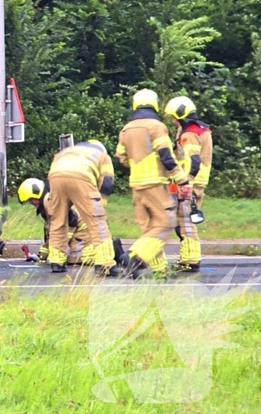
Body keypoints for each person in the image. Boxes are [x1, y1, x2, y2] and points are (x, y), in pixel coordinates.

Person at [116, 89, 191, 279]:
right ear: (155, 105)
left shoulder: (126, 129)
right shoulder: (156, 126)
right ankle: (133, 256)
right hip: (155, 184)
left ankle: (158, 269)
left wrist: (137, 163)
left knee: (150, 228)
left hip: (136, 185)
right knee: (166, 223)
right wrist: (181, 178)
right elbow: (166, 155)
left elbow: (121, 158)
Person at [42, 140, 118, 276]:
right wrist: (100, 207)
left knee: (58, 220)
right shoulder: (102, 155)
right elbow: (107, 182)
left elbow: (52, 175)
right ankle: (105, 263)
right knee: (97, 222)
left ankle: (56, 261)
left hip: (55, 178)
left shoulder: (64, 153)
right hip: (82, 177)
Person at [164, 95, 213, 273]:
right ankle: (187, 257)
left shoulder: (190, 134)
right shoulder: (201, 129)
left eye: (174, 118)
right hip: (196, 181)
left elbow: (194, 160)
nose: (173, 121)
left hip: (189, 183)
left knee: (185, 222)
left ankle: (190, 260)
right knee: (182, 220)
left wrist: (187, 183)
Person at [17, 177, 95, 267]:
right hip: (81, 238)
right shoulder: (49, 202)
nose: (31, 203)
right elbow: (52, 233)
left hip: (84, 244)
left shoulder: (52, 202)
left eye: (31, 200)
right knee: (62, 258)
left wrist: (58, 247)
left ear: (37, 194)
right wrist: (41, 256)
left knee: (70, 260)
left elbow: (70, 222)